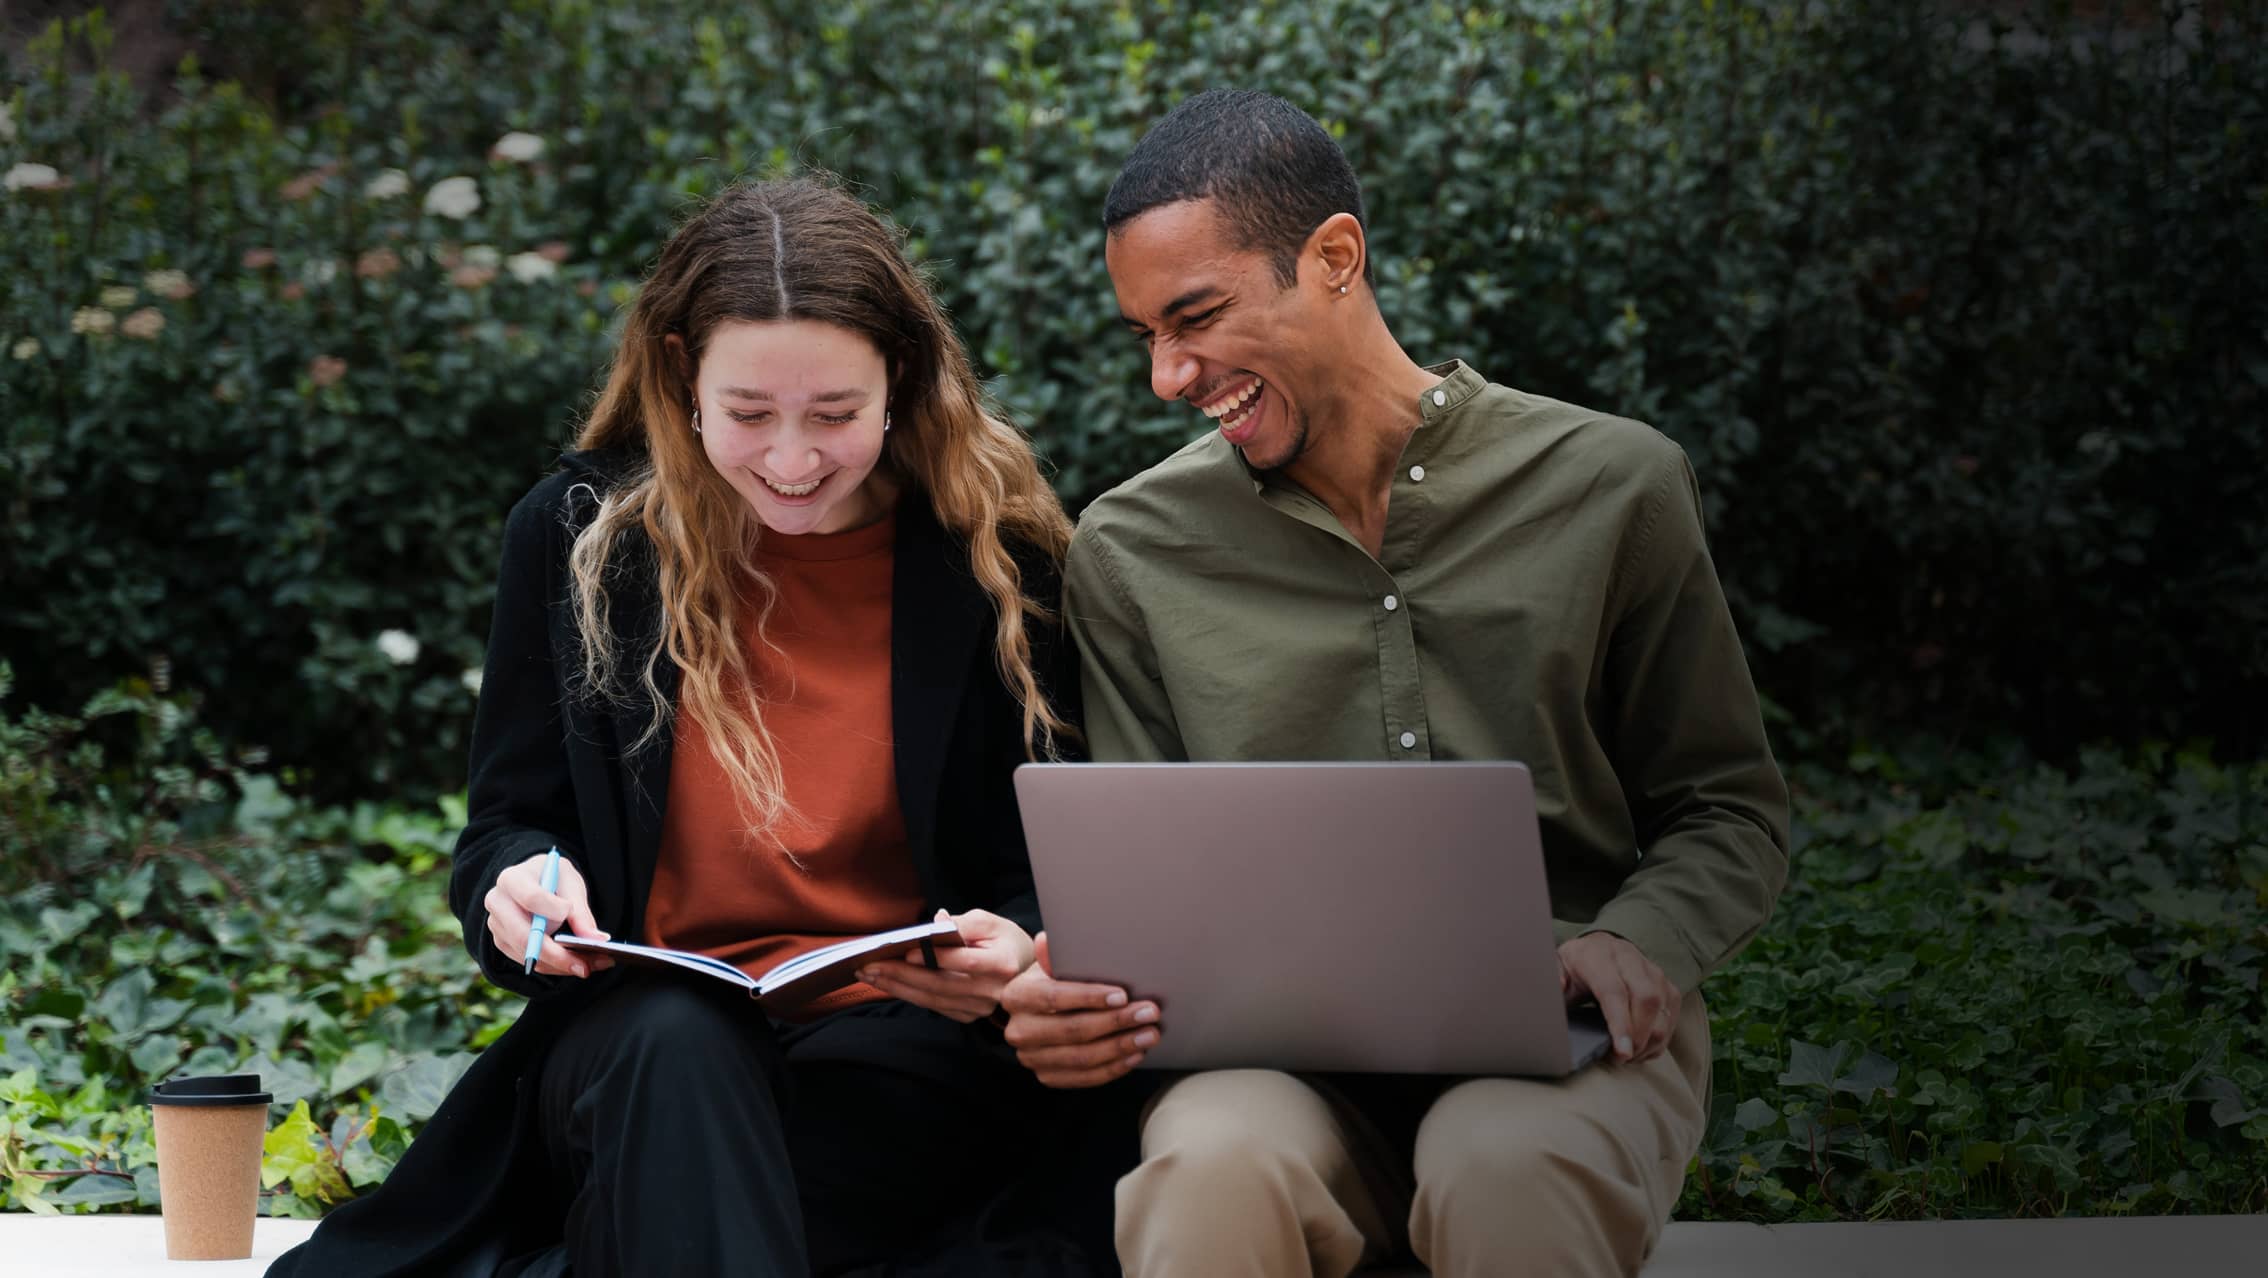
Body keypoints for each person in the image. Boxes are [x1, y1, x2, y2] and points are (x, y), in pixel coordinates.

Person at [999, 90, 1793, 1278]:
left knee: (1500, 1165)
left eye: (1197, 317)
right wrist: (1078, 986)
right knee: (1210, 1166)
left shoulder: (1614, 486)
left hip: (1563, 1042)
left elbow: (1728, 805)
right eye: (1144, 336)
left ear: (1333, 258)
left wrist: (1642, 939)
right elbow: (1147, 878)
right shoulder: (1132, 549)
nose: (1168, 376)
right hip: (1282, 1067)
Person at [270, 177, 1111, 1278]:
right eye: (750, 414)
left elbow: (1056, 857)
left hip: (896, 1058)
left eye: (836, 415)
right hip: (635, 1048)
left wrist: (1011, 945)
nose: (794, 461)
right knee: (676, 1048)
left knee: (719, 1182)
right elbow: (508, 828)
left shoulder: (998, 565)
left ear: (901, 379)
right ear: (681, 374)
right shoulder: (579, 542)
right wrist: (522, 887)